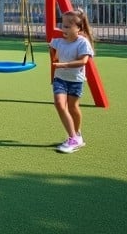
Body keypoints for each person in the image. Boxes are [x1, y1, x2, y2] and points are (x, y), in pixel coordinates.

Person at [50, 8, 96, 154]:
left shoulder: (82, 42)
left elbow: (83, 61)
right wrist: (52, 52)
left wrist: (63, 65)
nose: (63, 29)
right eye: (62, 25)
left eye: (68, 27)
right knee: (59, 103)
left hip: (75, 80)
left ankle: (77, 135)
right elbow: (53, 54)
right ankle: (73, 138)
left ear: (79, 28)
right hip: (60, 79)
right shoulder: (58, 41)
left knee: (73, 107)